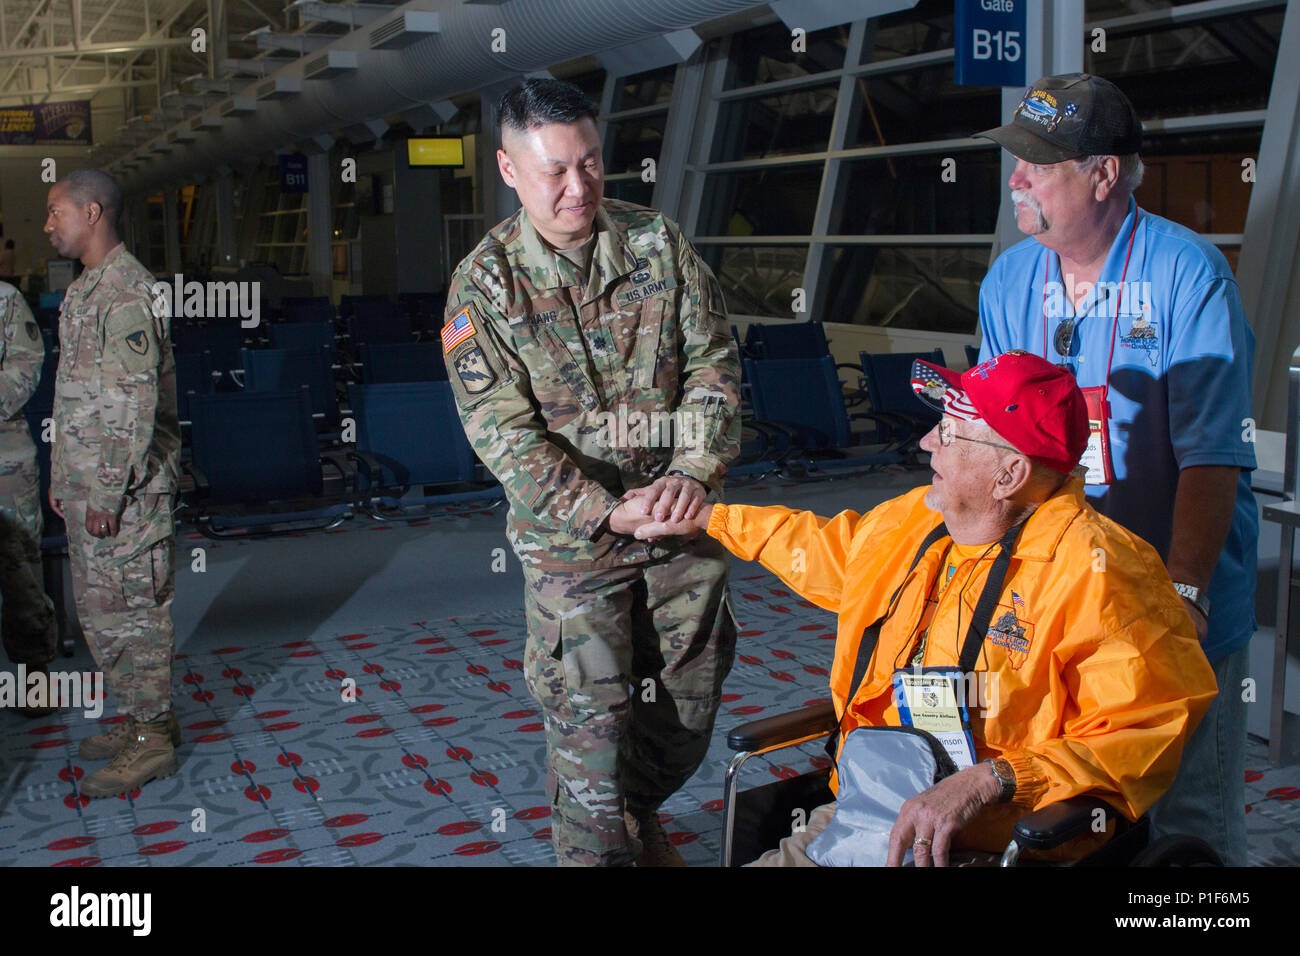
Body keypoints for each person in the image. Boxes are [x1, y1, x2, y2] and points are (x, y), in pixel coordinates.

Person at [632, 352, 1217, 866]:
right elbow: (822, 548)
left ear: (1009, 473)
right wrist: (707, 517)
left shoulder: (1103, 571)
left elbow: (1143, 728)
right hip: (872, 812)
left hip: (1002, 840)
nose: (926, 442)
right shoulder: (916, 521)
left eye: (951, 432)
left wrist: (992, 780)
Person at [442, 78, 741, 866]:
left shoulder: (656, 244)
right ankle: (603, 841)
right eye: (555, 172)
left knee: (687, 711)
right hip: (575, 552)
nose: (580, 187)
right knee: (591, 734)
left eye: (592, 163)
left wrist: (695, 470)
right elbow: (502, 435)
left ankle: (635, 816)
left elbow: (714, 361)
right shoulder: (485, 286)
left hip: (678, 527)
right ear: (509, 170)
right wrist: (603, 514)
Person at [974, 73, 1257, 865]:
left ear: (1103, 175)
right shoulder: (1010, 280)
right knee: (1086, 807)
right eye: (1015, 160)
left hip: (1174, 597)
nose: (1016, 179)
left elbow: (1212, 455)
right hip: (1067, 603)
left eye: (1037, 163)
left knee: (1190, 817)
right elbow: (1005, 442)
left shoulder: (1186, 275)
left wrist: (1188, 597)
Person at [44, 168, 182, 797]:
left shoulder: (129, 293)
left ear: (92, 213)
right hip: (88, 486)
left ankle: (153, 739)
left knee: (136, 614)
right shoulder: (85, 290)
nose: (48, 225)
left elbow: (131, 404)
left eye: (56, 212)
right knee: (102, 615)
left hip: (126, 493)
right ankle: (137, 720)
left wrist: (103, 494)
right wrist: (60, 476)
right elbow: (72, 399)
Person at [0, 279, 59, 715]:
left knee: (19, 568)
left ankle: (34, 673)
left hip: (6, 461)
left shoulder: (5, 300)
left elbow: (25, 367)